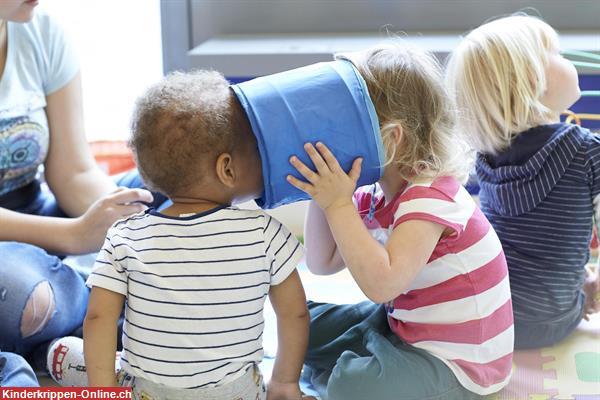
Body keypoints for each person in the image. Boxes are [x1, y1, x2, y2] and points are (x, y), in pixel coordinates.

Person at [286, 43, 514, 399]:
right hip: (404, 326)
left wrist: (338, 205)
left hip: (458, 364)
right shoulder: (375, 196)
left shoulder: (431, 197)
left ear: (391, 139)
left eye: (341, 126)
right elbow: (321, 261)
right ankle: (362, 357)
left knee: (351, 386)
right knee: (300, 321)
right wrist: (324, 197)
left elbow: (382, 286)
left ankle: (353, 368)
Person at [84, 70, 312, 400]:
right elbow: (295, 313)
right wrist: (285, 384)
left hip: (150, 393)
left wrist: (103, 392)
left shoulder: (125, 238)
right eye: (256, 153)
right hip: (236, 393)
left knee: (68, 352)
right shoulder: (265, 234)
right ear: (228, 169)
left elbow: (98, 317)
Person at [0, 0, 160, 383]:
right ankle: (109, 313)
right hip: (20, 245)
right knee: (26, 297)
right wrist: (75, 236)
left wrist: (121, 218)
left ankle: (73, 326)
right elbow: (74, 230)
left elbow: (72, 172)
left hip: (37, 207)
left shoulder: (41, 30)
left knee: (178, 186)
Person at [445, 14, 600, 349]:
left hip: (492, 316)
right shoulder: (586, 150)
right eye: (556, 54)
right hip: (554, 321)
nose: (567, 59)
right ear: (533, 80)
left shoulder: (485, 157)